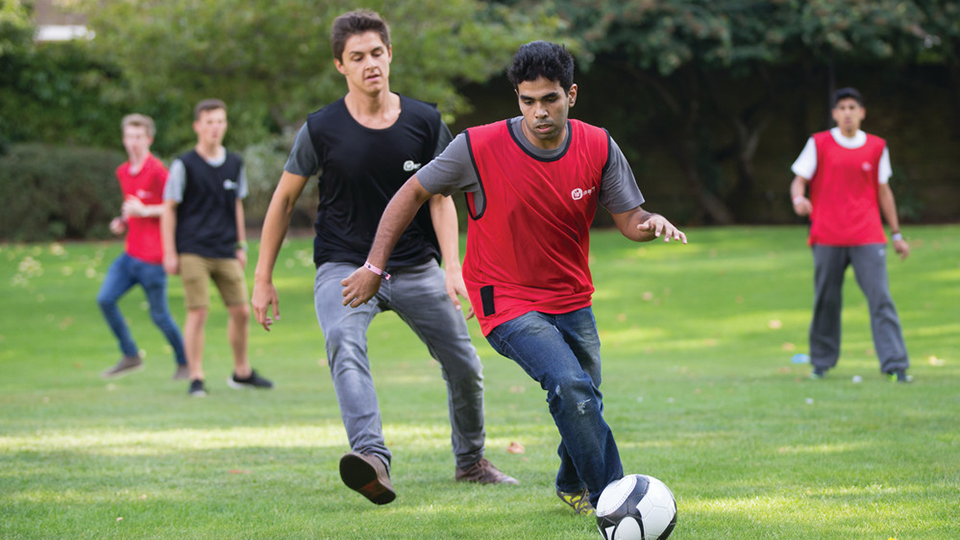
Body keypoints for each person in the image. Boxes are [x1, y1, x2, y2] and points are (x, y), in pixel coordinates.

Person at [342, 41, 687, 515]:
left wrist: (651, 225)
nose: (538, 112)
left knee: (586, 396)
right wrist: (374, 266)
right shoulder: (476, 147)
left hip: (572, 297)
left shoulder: (598, 144)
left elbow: (631, 220)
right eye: (527, 101)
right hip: (502, 298)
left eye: (550, 99)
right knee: (569, 386)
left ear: (572, 94)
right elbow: (411, 192)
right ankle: (614, 500)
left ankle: (571, 481)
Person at [251, 10, 516, 505]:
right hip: (344, 267)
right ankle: (372, 459)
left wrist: (453, 267)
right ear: (340, 65)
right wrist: (262, 278)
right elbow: (283, 202)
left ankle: (471, 462)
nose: (370, 63)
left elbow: (440, 199)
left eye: (377, 53)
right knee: (344, 344)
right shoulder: (321, 129)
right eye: (358, 57)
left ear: (390, 54)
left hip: (416, 266)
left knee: (464, 363)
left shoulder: (424, 121)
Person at [789, 87, 912, 383]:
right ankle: (821, 362)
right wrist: (798, 200)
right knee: (826, 299)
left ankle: (896, 365)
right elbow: (798, 181)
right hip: (827, 235)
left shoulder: (877, 147)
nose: (847, 113)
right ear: (834, 113)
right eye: (842, 107)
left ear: (862, 112)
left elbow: (884, 192)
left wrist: (896, 234)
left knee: (880, 298)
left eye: (852, 107)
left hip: (867, 235)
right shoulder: (818, 143)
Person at [162, 99, 274, 397]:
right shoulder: (183, 164)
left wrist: (240, 244)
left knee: (241, 311)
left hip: (226, 249)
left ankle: (242, 372)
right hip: (193, 250)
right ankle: (196, 377)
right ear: (197, 126)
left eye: (220, 121)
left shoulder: (234, 163)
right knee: (198, 312)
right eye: (209, 122)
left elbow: (236, 204)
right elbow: (169, 209)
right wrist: (169, 252)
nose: (215, 127)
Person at [99, 114, 188, 381]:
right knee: (105, 299)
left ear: (148, 139)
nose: (134, 142)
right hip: (130, 255)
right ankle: (130, 355)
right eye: (129, 136)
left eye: (139, 137)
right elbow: (133, 207)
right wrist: (123, 221)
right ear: (124, 139)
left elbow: (176, 208)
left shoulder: (159, 172)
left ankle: (185, 364)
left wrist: (144, 209)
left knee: (159, 316)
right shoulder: (123, 172)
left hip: (153, 258)